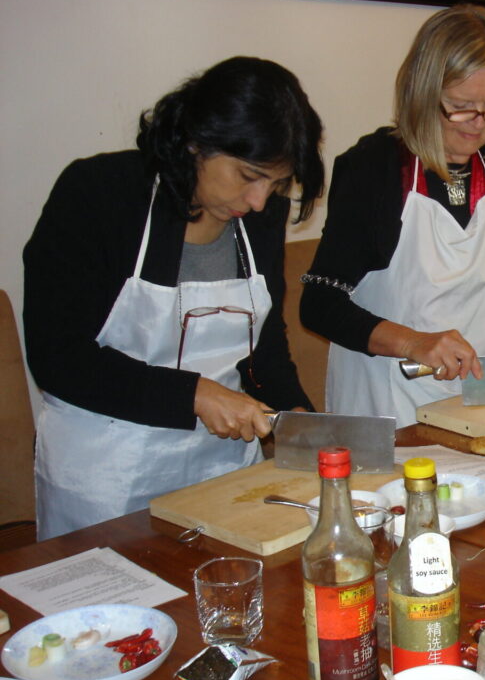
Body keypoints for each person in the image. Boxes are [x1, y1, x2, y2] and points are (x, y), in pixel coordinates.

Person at [23, 57, 323, 540]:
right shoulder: (99, 195)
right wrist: (195, 393)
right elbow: (58, 358)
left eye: (277, 182)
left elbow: (263, 345)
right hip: (106, 481)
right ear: (195, 141)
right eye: (248, 175)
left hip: (223, 476)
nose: (260, 201)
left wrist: (298, 417)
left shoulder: (261, 217)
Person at [300, 4, 485, 427]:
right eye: (462, 107)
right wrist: (414, 342)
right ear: (423, 94)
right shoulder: (374, 169)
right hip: (387, 410)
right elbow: (320, 305)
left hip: (482, 406)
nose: (479, 125)